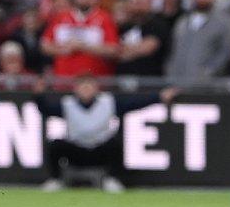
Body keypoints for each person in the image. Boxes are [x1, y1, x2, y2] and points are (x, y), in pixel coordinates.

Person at [34, 76, 177, 193]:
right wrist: (38, 95)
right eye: (83, 87)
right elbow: (46, 109)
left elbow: (135, 103)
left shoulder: (108, 102)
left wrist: (158, 97)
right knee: (55, 145)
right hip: (76, 150)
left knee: (115, 143)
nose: (86, 90)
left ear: (96, 89)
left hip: (99, 150)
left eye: (89, 86)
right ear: (75, 89)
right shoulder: (67, 104)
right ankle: (55, 180)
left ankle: (112, 179)